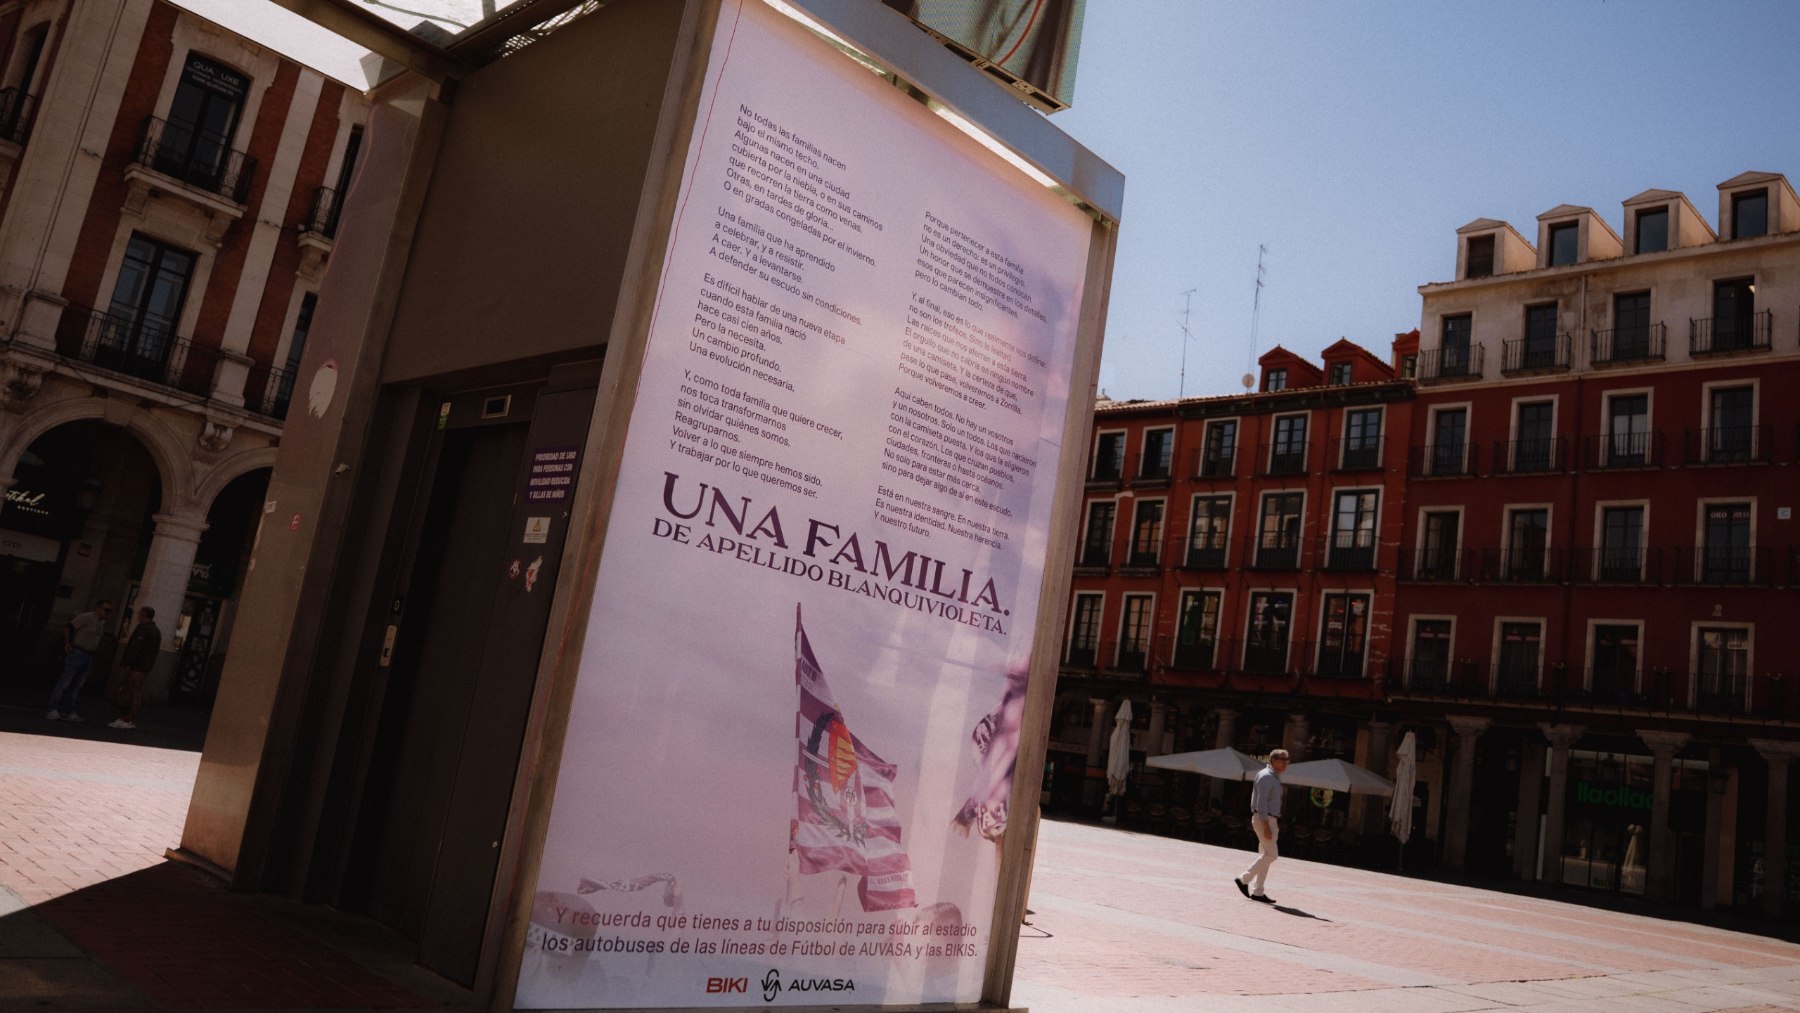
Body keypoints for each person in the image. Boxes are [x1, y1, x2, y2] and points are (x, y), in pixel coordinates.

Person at [1235, 748, 1289, 904]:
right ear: (1274, 760)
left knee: (1265, 855)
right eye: (1283, 760)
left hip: (1269, 820)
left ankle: (1258, 892)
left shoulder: (1273, 777)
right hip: (1264, 819)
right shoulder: (1266, 777)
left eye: (1287, 760)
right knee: (1272, 855)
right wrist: (1266, 826)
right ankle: (1243, 879)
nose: (1286, 763)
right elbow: (1261, 804)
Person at [48, 599, 112, 721]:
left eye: (110, 611)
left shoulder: (101, 622)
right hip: (78, 652)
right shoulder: (86, 617)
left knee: (77, 685)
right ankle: (52, 709)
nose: (108, 613)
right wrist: (67, 643)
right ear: (98, 608)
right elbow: (70, 627)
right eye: (106, 610)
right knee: (65, 681)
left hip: (89, 654)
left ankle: (68, 710)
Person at [108, 607, 161, 730]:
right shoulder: (154, 630)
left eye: (139, 614)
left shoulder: (145, 630)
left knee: (132, 691)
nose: (137, 616)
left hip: (138, 665)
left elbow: (135, 648)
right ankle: (128, 718)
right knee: (133, 691)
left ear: (144, 615)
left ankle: (127, 718)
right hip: (143, 665)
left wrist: (128, 663)